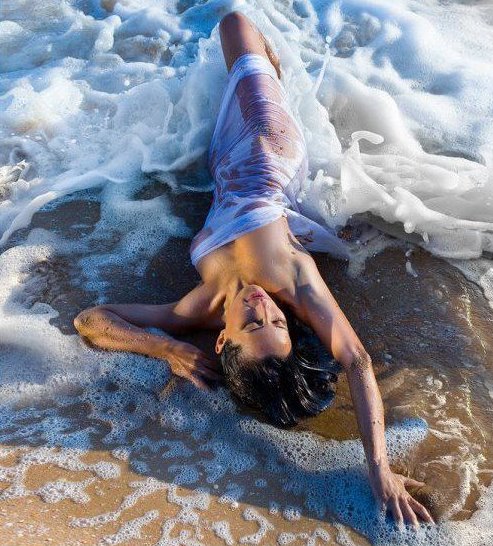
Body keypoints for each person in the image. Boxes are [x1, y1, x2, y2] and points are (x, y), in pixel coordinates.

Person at [74, 11, 434, 528]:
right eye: (278, 322)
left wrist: (167, 348)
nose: (264, 307)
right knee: (235, 24)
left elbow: (91, 320)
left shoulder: (198, 308)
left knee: (238, 40)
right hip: (270, 149)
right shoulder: (293, 282)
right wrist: (379, 467)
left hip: (224, 169)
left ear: (221, 339)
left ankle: (273, 70)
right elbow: (356, 360)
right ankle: (277, 66)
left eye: (252, 323)